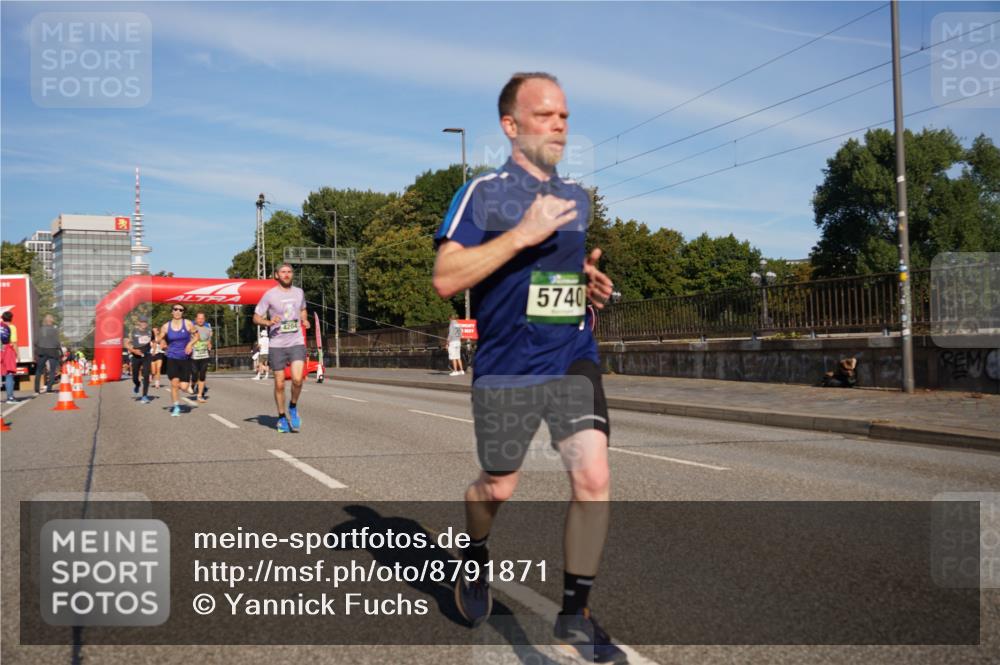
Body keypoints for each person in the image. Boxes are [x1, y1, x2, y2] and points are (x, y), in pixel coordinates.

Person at [432, 73, 623, 663]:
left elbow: (551, 280)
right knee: (498, 485)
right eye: (544, 115)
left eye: (564, 114)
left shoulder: (578, 198)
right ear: (510, 126)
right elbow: (446, 279)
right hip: (507, 366)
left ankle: (575, 615)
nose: (560, 124)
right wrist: (520, 235)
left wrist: (584, 284)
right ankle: (476, 550)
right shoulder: (482, 193)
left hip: (571, 355)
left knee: (592, 476)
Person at [252, 263, 309, 433]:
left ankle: (293, 406)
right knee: (279, 384)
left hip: (296, 341)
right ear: (276, 275)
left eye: (289, 272)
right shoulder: (269, 295)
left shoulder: (299, 292)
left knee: (298, 379)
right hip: (277, 344)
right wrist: (268, 322)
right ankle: (282, 416)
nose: (286, 274)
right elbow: (255, 317)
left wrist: (304, 320)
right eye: (283, 272)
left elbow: (303, 310)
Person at [157, 303, 197, 417]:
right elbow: (160, 338)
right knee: (174, 384)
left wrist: (190, 344)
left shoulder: (188, 323)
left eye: (181, 310)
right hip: (172, 357)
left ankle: (187, 384)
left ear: (183, 312)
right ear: (172, 312)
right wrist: (159, 340)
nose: (178, 311)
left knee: (183, 387)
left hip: (185, 358)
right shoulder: (166, 326)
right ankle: (176, 407)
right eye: (176, 309)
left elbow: (197, 337)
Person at [125, 315, 153, 403]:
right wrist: (133, 350)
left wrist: (155, 349)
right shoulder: (133, 332)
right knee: (135, 377)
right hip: (136, 356)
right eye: (142, 322)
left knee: (146, 376)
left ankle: (144, 396)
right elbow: (126, 344)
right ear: (139, 323)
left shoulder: (150, 332)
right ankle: (137, 385)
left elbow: (155, 341)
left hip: (147, 356)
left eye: (145, 322)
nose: (143, 323)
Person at [34, 314, 61, 395]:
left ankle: (37, 389)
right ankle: (49, 388)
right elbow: (57, 342)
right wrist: (58, 349)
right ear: (52, 321)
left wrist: (38, 347)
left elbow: (36, 341)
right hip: (52, 351)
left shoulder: (40, 330)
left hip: (42, 351)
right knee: (52, 370)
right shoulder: (55, 330)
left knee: (39, 370)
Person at [189, 312, 213, 403]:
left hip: (204, 355)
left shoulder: (208, 330)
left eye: (202, 318)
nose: (200, 320)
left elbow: (208, 341)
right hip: (194, 356)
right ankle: (192, 384)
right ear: (196, 319)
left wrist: (209, 344)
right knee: (195, 375)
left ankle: (199, 395)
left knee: (202, 375)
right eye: (199, 318)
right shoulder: (192, 328)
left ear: (204, 319)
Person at [1, 311, 18, 404]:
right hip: (8, 351)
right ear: (11, 318)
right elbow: (14, 342)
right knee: (9, 374)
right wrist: (18, 354)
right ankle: (10, 397)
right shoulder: (12, 327)